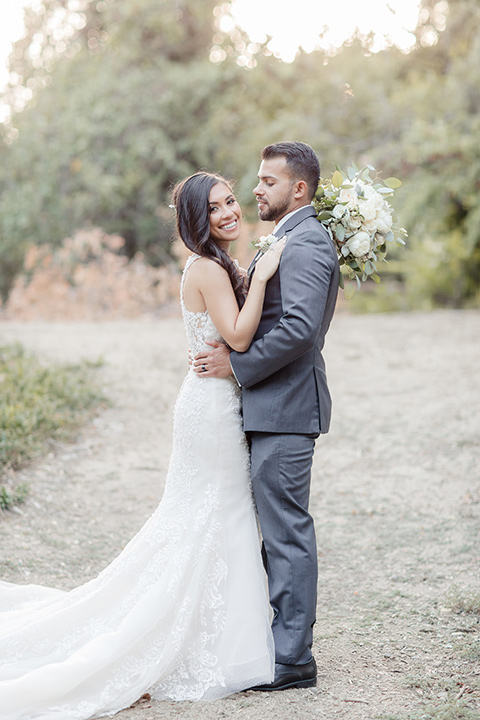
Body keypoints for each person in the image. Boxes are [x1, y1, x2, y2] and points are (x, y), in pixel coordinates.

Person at [0, 172, 286, 719]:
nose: (229, 212)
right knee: (213, 514)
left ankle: (223, 633)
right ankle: (214, 643)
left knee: (208, 515)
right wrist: (266, 270)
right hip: (212, 410)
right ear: (197, 222)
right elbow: (241, 337)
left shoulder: (217, 265)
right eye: (216, 208)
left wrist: (252, 271)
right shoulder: (206, 267)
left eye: (231, 201)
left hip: (210, 401)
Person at [193, 141, 339, 691]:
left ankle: (293, 658)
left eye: (267, 181)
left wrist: (238, 366)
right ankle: (272, 641)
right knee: (272, 531)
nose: (256, 189)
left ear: (297, 189)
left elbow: (301, 329)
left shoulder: (305, 243)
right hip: (270, 407)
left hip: (286, 409)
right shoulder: (289, 236)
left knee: (287, 533)